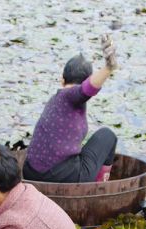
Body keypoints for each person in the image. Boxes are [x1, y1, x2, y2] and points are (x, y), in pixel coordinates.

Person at [23, 34, 119, 183]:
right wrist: (108, 69)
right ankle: (101, 187)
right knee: (107, 135)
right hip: (59, 176)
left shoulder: (55, 100)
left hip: (30, 172)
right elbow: (86, 90)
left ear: (62, 80)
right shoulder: (70, 96)